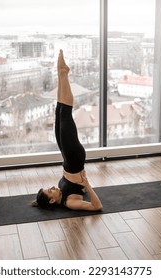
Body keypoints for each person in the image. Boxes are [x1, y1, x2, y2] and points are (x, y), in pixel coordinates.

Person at [32, 50, 103, 211]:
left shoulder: (60, 191)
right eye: (50, 191)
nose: (52, 187)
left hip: (67, 157)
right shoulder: (70, 202)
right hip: (75, 158)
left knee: (59, 111)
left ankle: (61, 74)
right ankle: (63, 74)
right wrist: (87, 185)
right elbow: (97, 207)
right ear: (52, 201)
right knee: (66, 114)